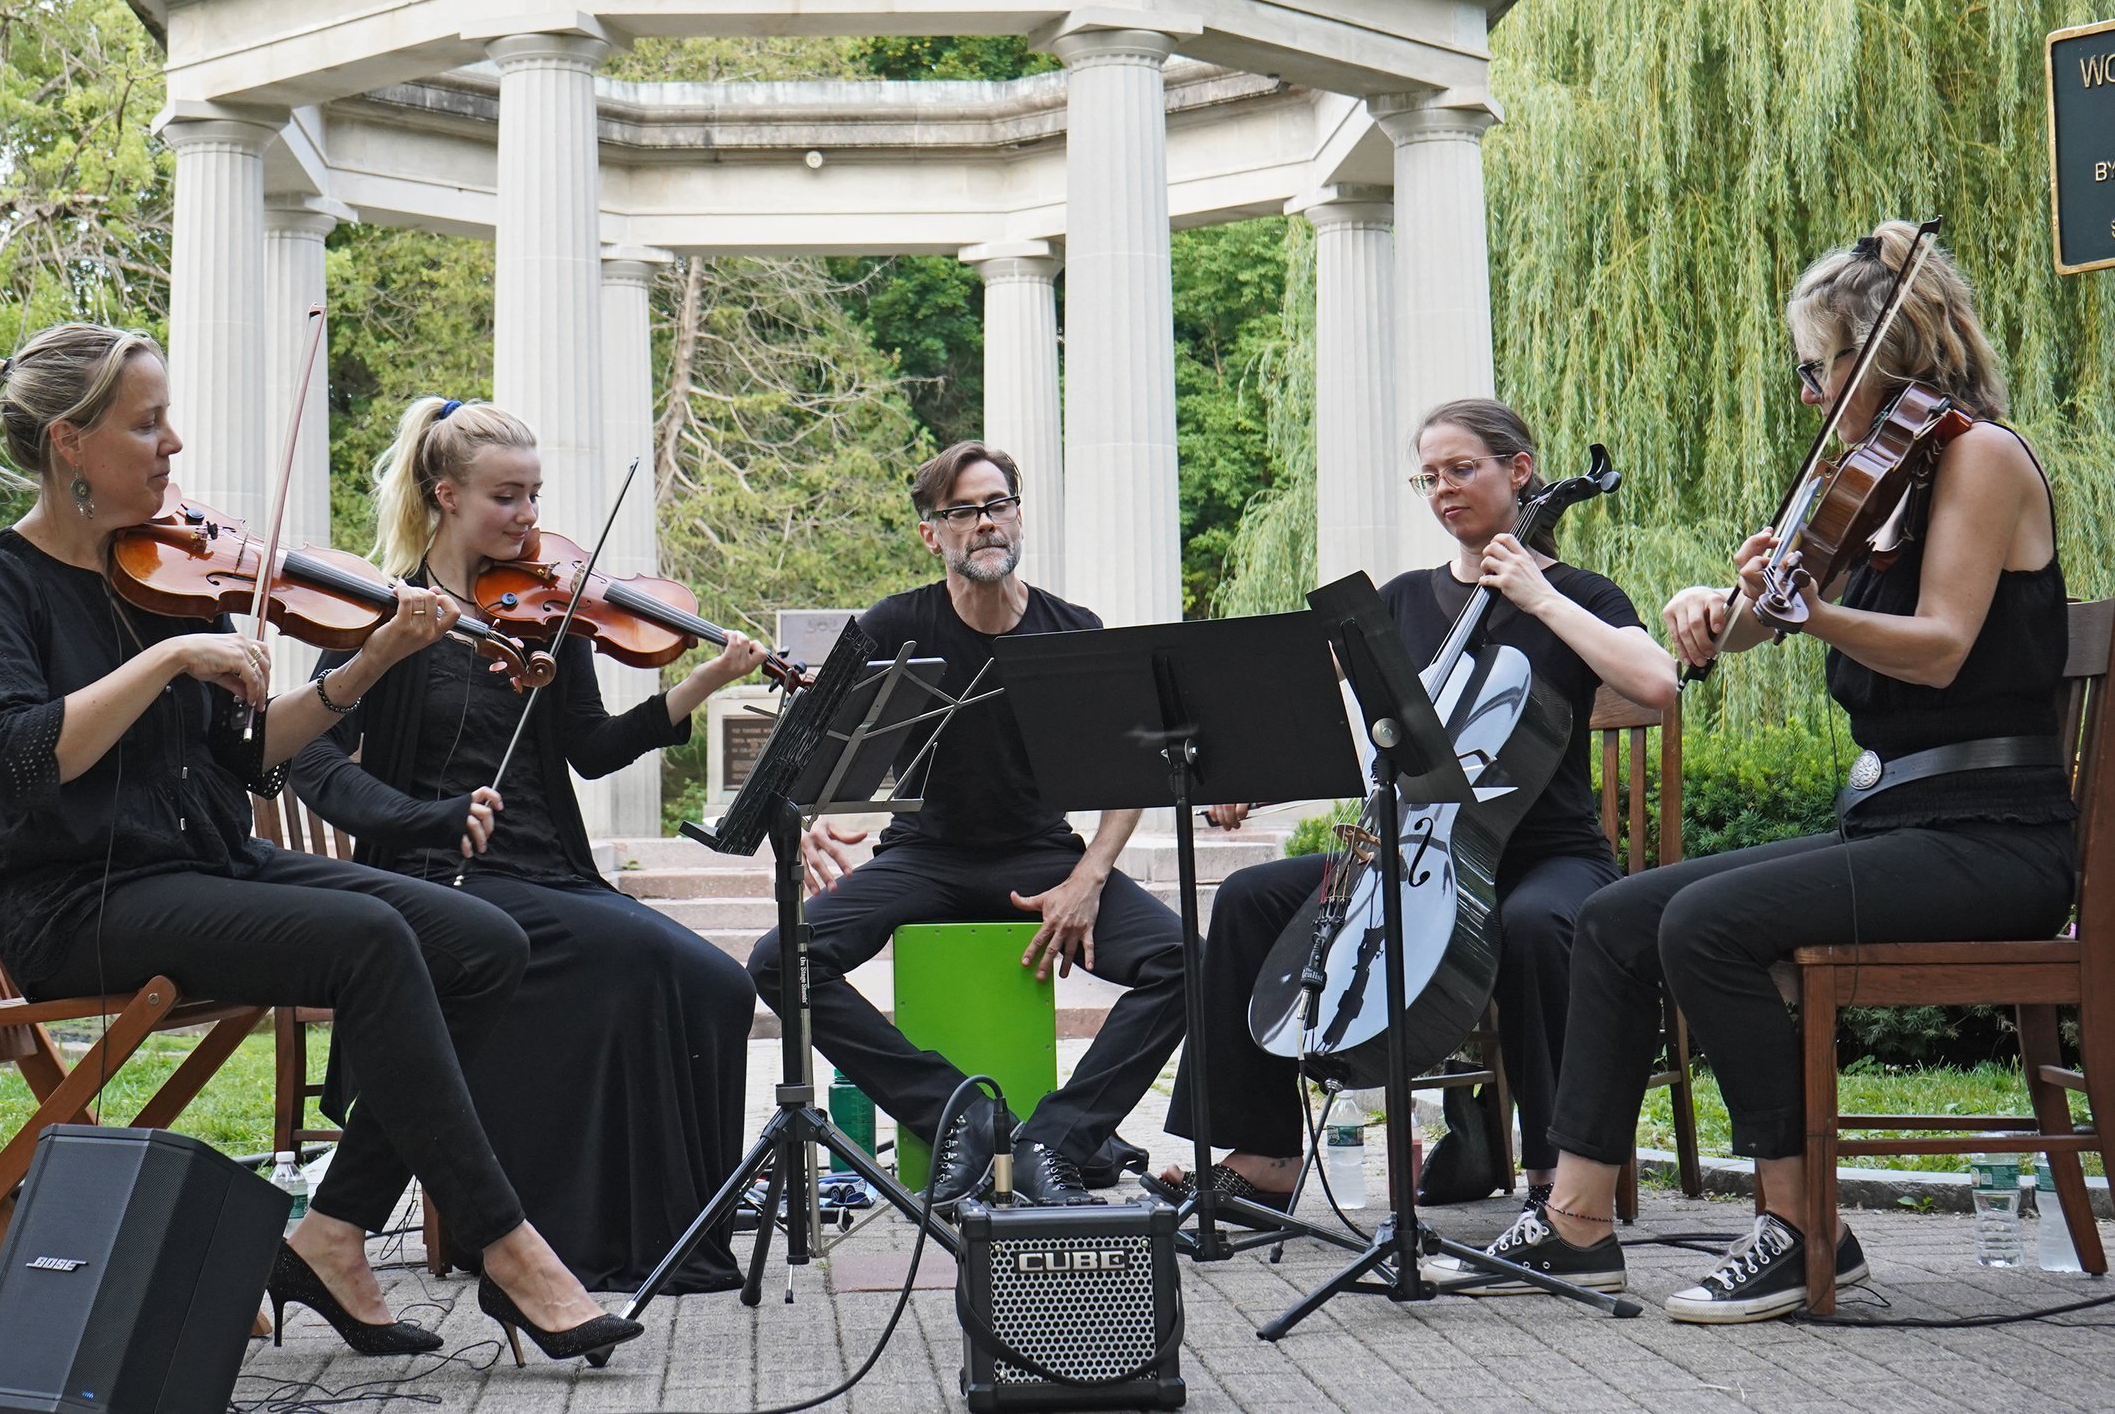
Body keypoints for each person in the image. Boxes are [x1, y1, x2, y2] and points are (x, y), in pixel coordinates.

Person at [0, 326, 640, 1367]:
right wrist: (175, 656)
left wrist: (363, 666)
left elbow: (246, 759)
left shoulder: (163, 575)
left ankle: (330, 1235)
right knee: (368, 935)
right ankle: (511, 1245)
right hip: (79, 901)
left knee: (482, 939)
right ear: (69, 444)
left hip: (209, 867)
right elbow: (16, 763)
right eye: (146, 423)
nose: (173, 442)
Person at [1455, 223, 2076, 1323]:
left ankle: (1802, 1229)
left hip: (1995, 839)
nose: (1808, 393)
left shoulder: (1979, 454)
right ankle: (1576, 1222)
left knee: (1704, 923)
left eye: (1816, 363)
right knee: (1616, 915)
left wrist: (1812, 610)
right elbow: (1754, 626)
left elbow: (1937, 644)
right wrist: (1712, 612)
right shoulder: (1872, 481)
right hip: (1894, 824)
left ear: (1885, 348)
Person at [290, 399, 762, 1294]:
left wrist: (699, 681)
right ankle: (572, 1236)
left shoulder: (545, 609)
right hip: (444, 882)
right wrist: (413, 816)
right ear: (445, 495)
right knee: (621, 958)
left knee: (720, 984)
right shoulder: (388, 614)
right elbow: (309, 756)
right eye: (507, 496)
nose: (528, 517)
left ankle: (669, 1228)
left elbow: (589, 746)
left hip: (551, 873)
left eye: (534, 495)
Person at [1168, 398, 1677, 1219]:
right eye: (1429, 476)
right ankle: (1260, 1155)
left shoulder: (1581, 594)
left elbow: (1656, 683)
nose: (1443, 490)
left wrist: (1541, 598)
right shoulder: (1402, 602)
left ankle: (1557, 1179)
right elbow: (1348, 724)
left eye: (1461, 469)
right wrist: (1251, 783)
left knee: (1538, 924)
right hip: (1412, 849)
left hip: (1544, 852)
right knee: (1249, 899)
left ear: (1519, 471)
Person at [749, 441, 1180, 1208]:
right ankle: (962, 1113)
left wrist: (1089, 877)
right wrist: (803, 816)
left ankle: (1057, 1139)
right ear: (931, 533)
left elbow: (1131, 775)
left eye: (996, 505)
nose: (983, 523)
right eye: (961, 511)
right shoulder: (892, 623)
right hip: (927, 857)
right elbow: (810, 741)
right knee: (779, 959)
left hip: (1045, 855)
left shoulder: (1074, 627)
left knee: (1186, 961)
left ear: (1017, 516)